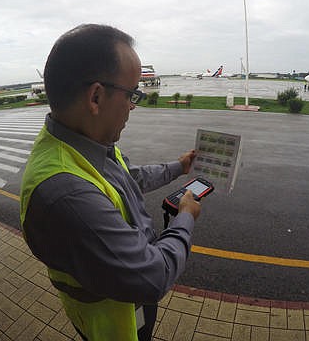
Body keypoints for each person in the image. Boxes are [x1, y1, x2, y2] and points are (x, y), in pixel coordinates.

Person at [20, 24, 202, 341]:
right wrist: (185, 216)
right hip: (116, 320)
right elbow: (153, 275)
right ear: (96, 96)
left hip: (127, 298)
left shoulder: (83, 143)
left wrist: (179, 167)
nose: (133, 105)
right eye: (131, 94)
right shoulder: (67, 194)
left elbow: (128, 178)